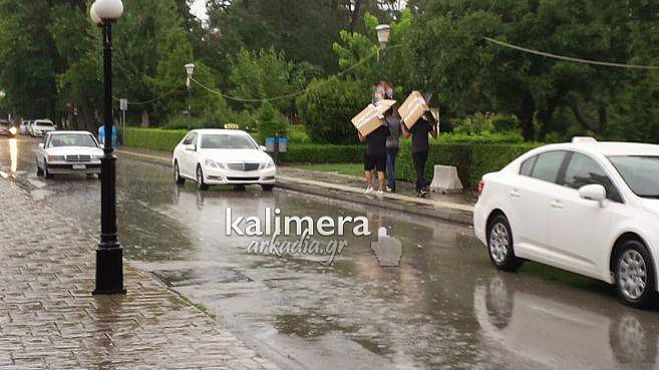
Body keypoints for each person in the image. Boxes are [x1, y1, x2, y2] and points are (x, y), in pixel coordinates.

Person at [401, 111, 438, 197]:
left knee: (419, 170)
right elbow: (435, 136)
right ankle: (418, 188)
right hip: (425, 149)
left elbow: (406, 135)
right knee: (421, 169)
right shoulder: (426, 123)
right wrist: (434, 125)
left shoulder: (413, 124)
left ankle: (423, 188)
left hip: (416, 149)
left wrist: (402, 125)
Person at [358, 122, 389, 197]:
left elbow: (362, 139)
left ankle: (370, 186)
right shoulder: (384, 126)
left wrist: (359, 131)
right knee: (380, 170)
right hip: (382, 151)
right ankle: (381, 188)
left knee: (367, 169)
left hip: (371, 151)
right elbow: (388, 136)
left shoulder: (369, 127)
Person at [385, 107, 402, 192]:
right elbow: (400, 133)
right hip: (396, 144)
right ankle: (392, 184)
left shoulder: (385, 121)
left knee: (389, 166)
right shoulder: (397, 120)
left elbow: (385, 133)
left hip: (388, 144)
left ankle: (391, 185)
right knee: (392, 164)